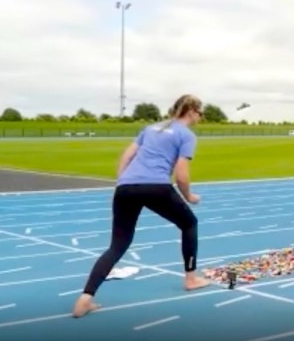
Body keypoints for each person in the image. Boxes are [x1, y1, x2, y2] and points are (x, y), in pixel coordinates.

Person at [72, 94, 211, 318]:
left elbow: (127, 156)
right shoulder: (186, 135)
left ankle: (85, 298)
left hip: (126, 187)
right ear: (192, 111)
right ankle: (191, 279)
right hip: (156, 186)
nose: (200, 118)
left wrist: (122, 183)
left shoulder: (150, 128)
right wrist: (189, 196)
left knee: (118, 245)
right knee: (189, 223)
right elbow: (181, 175)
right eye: (200, 113)